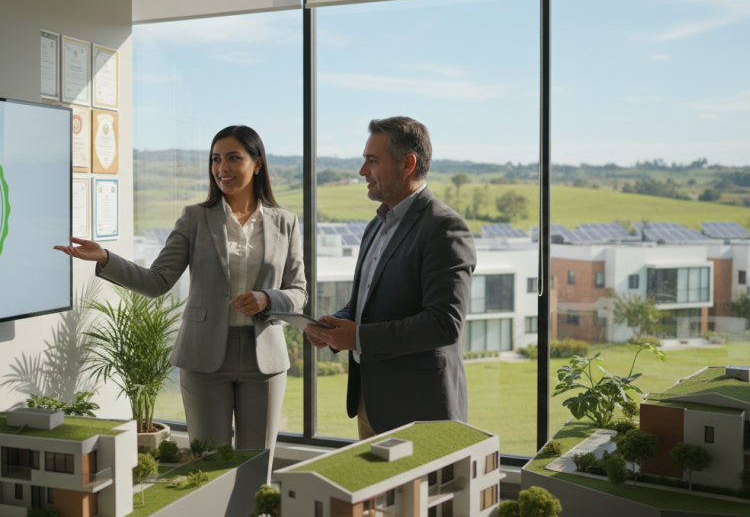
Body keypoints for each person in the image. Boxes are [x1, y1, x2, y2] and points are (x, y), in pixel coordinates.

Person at [54, 125, 306, 475]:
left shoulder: (286, 223)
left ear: (258, 164)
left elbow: (299, 293)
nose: (223, 168)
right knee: (207, 465)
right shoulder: (195, 218)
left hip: (263, 360)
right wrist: (105, 259)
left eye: (234, 158)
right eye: (216, 159)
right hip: (204, 358)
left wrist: (267, 298)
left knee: (255, 466)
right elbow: (156, 281)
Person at [304, 116, 476, 440]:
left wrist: (358, 338)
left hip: (420, 412)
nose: (362, 171)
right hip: (371, 405)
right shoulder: (375, 225)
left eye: (372, 160)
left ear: (407, 164)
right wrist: (334, 325)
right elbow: (366, 305)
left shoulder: (444, 228)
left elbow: (444, 323)